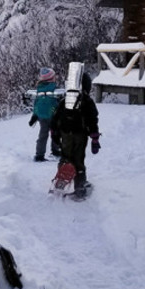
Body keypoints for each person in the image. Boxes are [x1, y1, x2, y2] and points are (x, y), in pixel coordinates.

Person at [50, 67, 100, 198]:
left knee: (65, 157)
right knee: (78, 159)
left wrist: (54, 133)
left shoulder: (66, 100)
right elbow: (92, 120)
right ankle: (80, 187)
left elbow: (55, 117)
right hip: (80, 135)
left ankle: (61, 182)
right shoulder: (87, 102)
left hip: (65, 134)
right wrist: (95, 138)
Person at [29, 67, 61, 162]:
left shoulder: (39, 89)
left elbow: (37, 103)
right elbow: (58, 101)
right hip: (53, 115)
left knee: (43, 135)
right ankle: (56, 150)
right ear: (51, 78)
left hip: (41, 115)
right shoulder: (54, 88)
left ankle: (39, 154)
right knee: (55, 132)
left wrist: (35, 115)